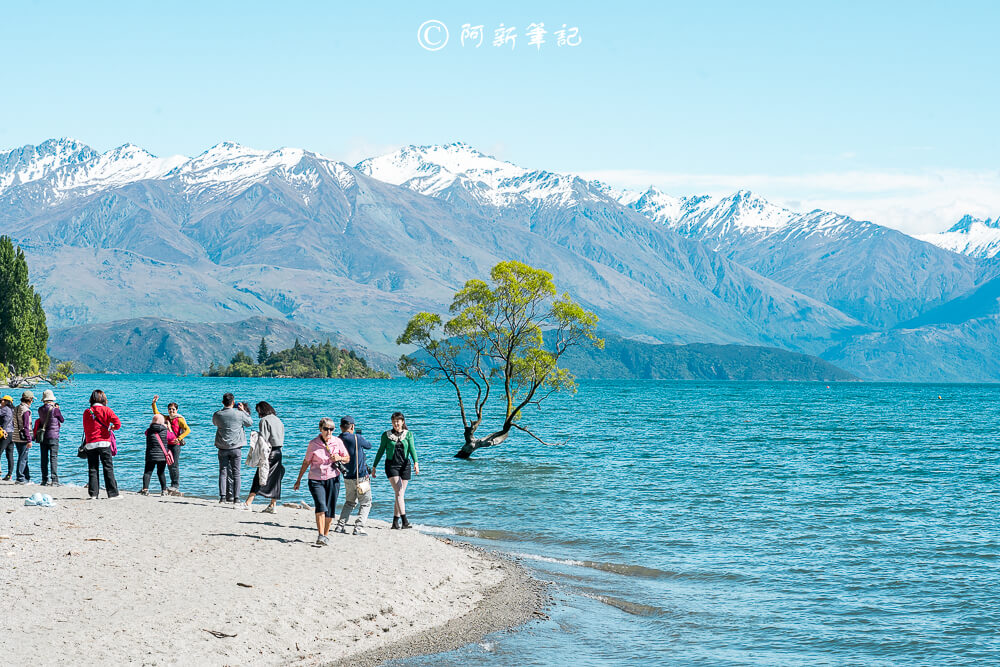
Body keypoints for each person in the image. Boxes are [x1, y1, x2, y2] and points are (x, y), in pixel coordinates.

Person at [293, 418, 349, 546]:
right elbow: (306, 462)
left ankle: (325, 535)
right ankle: (320, 535)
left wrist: (339, 457)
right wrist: (298, 480)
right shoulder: (313, 444)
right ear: (320, 429)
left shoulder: (338, 442)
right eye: (326, 429)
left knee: (330, 509)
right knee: (321, 506)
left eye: (331, 429)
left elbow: (347, 458)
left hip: (333, 478)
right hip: (316, 479)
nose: (329, 431)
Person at [372, 411, 419, 529]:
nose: (395, 423)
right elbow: (380, 451)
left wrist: (416, 463)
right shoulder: (386, 435)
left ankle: (394, 523)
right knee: (399, 492)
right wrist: (374, 466)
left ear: (402, 422)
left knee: (400, 495)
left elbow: (412, 449)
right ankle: (405, 521)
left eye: (397, 421)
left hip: (405, 466)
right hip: (391, 466)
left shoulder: (409, 434)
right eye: (393, 422)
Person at [242, 401, 285, 514]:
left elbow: (264, 439)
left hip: (269, 452)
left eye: (258, 411)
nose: (258, 413)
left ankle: (248, 503)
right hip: (278, 452)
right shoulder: (278, 420)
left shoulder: (264, 420)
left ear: (261, 410)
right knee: (276, 479)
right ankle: (273, 505)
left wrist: (255, 435)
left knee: (259, 476)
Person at [334, 415, 373, 536]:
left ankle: (340, 525)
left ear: (341, 427)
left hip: (347, 476)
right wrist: (360, 436)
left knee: (349, 502)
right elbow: (369, 445)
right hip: (361, 476)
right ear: (352, 427)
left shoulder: (337, 440)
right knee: (366, 502)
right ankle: (359, 527)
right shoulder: (357, 438)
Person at [212, 393, 252, 504]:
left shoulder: (218, 414)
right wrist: (243, 410)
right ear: (233, 402)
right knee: (236, 473)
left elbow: (214, 423)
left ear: (222, 402)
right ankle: (236, 498)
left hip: (222, 447)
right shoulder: (239, 414)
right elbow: (250, 423)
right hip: (236, 447)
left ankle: (223, 497)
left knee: (223, 472)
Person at [82, 389, 122, 499]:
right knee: (108, 467)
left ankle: (93, 494)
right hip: (104, 442)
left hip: (91, 443)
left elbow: (86, 428)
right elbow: (118, 424)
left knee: (93, 468)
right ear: (103, 399)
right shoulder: (107, 410)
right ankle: (112, 493)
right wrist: (111, 428)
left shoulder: (87, 411)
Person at [152, 395, 191, 495]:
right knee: (167, 465)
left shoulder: (179, 419)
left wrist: (179, 438)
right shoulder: (166, 418)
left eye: (173, 409)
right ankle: (169, 485)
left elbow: (188, 430)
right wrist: (154, 403)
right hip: (166, 444)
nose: (171, 411)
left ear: (177, 410)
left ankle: (175, 485)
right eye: (169, 409)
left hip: (175, 445)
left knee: (174, 465)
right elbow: (156, 413)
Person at [141, 414, 177, 496]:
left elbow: (145, 433)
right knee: (161, 473)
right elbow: (172, 437)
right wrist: (169, 428)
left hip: (150, 455)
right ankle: (164, 490)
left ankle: (145, 489)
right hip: (162, 456)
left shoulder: (149, 430)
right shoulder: (165, 431)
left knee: (147, 472)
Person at [35, 389, 64, 486]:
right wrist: (57, 409)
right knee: (53, 458)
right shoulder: (55, 410)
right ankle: (54, 480)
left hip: (43, 436)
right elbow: (62, 420)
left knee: (44, 458)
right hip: (54, 436)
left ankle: (44, 479)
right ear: (51, 399)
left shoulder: (40, 409)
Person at [12, 391, 34, 484]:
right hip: (23, 437)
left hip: (16, 436)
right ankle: (20, 477)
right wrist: (29, 439)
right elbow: (26, 426)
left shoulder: (17, 408)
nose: (32, 401)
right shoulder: (26, 411)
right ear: (29, 400)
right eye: (32, 399)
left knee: (23, 457)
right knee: (23, 457)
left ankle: (26, 477)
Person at [0, 395, 15, 480]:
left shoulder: (4, 409)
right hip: (12, 433)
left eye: (2, 400)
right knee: (10, 455)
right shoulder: (13, 410)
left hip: (4, 434)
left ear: (6, 401)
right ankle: (9, 474)